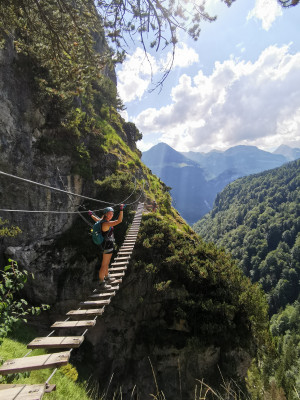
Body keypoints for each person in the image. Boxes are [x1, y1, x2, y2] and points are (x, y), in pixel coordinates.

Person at [89, 204, 124, 288]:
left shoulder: (102, 221)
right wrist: (121, 210)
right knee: (104, 264)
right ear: (105, 214)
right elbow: (119, 221)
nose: (111, 215)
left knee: (107, 263)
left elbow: (96, 219)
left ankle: (107, 276)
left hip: (108, 245)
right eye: (109, 214)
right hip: (107, 246)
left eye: (112, 214)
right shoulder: (106, 224)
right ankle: (101, 282)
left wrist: (91, 215)